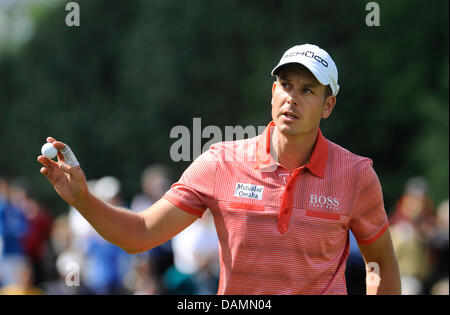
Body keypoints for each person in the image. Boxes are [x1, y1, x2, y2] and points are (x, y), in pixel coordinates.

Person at [37, 44, 401, 295]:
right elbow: (141, 233)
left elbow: (381, 265)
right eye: (286, 85)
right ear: (273, 92)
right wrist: (83, 199)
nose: (292, 97)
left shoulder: (356, 175)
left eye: (307, 90)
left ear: (328, 105)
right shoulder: (221, 162)